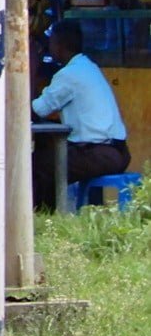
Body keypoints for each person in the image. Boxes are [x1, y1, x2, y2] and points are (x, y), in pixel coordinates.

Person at [31, 19, 131, 207]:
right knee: (47, 159)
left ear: (59, 45)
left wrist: (33, 69)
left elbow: (38, 109)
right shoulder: (89, 67)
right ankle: (50, 216)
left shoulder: (69, 75)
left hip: (99, 154)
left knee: (34, 165)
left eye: (51, 42)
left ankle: (44, 219)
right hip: (118, 152)